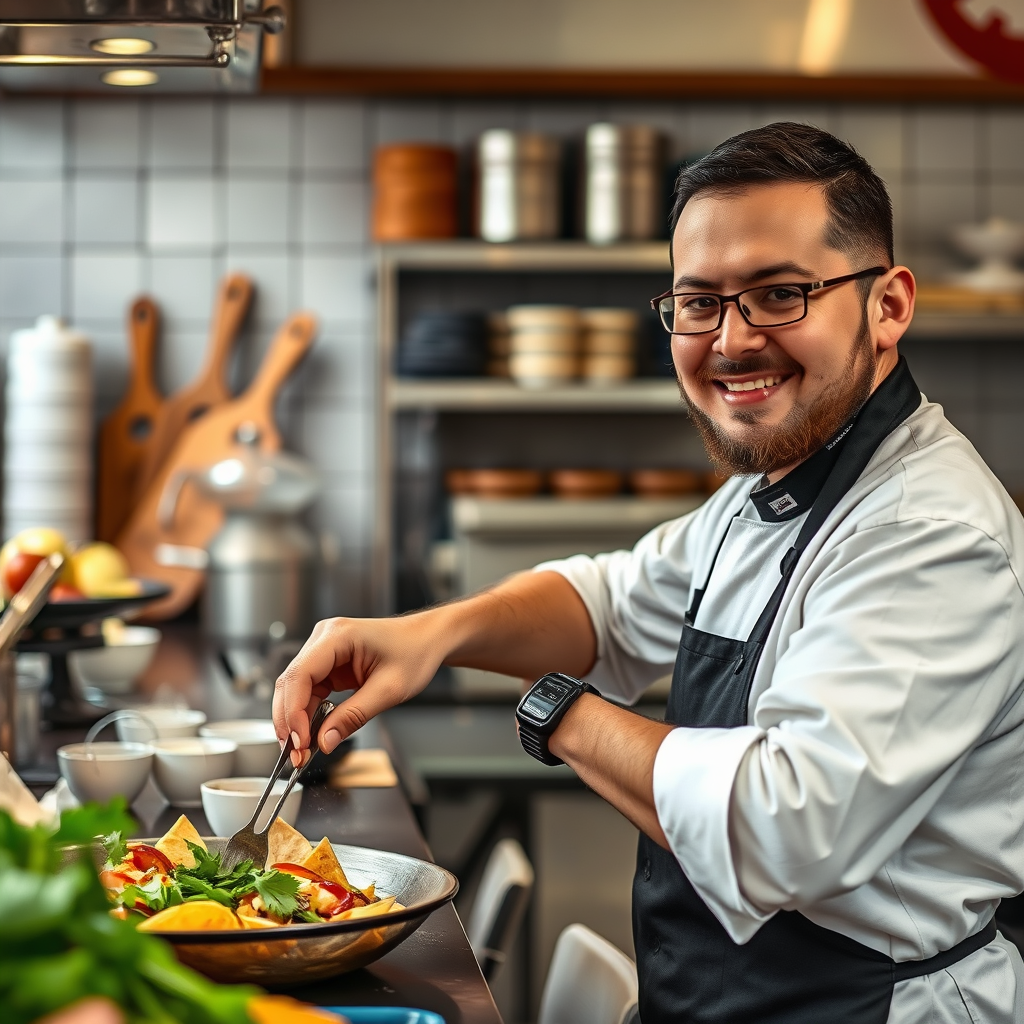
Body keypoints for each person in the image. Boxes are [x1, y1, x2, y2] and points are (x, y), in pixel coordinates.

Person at [274, 122, 1024, 1023]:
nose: (731, 341)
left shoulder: (929, 534)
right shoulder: (772, 487)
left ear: (888, 305)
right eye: (699, 302)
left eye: (779, 295)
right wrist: (429, 635)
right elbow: (611, 604)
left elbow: (781, 829)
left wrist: (559, 713)